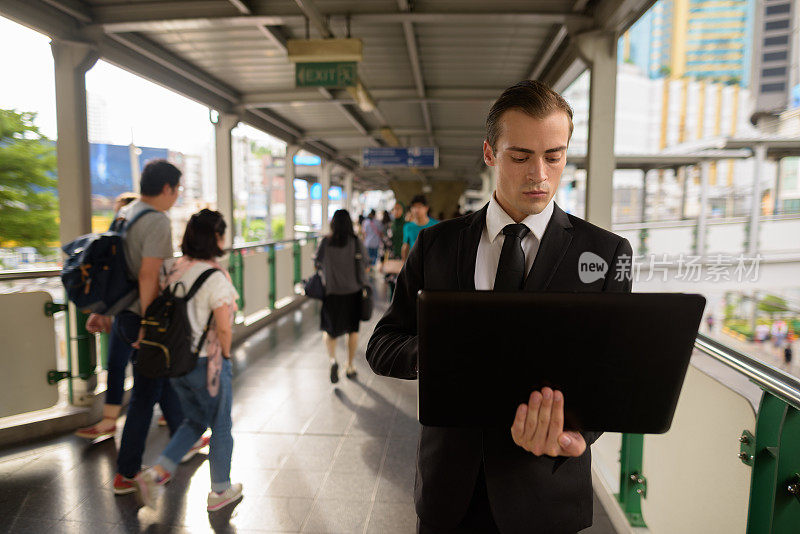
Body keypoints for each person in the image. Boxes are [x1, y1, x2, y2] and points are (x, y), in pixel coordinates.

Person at [366, 80, 633, 533]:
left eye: (554, 156)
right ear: (490, 154)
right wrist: (437, 355)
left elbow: (614, 371)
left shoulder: (606, 254)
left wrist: (575, 437)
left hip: (546, 489)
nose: (539, 174)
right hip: (449, 490)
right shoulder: (437, 245)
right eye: (521, 156)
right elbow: (383, 344)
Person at [84, 160, 202, 496]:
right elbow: (149, 274)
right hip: (142, 318)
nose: (176, 196)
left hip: (124, 315)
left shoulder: (125, 213)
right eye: (176, 190)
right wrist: (153, 325)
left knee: (161, 381)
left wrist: (105, 311)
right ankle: (126, 471)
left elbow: (112, 267)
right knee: (145, 394)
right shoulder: (156, 221)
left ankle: (186, 436)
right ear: (167, 188)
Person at [135, 209, 242, 512]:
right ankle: (220, 491)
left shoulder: (173, 268)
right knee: (220, 425)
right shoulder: (215, 276)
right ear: (216, 238)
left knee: (195, 421)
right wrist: (228, 355)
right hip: (207, 364)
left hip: (174, 362)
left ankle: (156, 475)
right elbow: (223, 326)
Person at [75, 191, 140, 440]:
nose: (118, 216)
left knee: (139, 372)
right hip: (126, 315)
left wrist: (103, 312)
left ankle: (178, 423)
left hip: (132, 315)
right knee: (124, 367)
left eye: (121, 210)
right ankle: (110, 420)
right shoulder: (122, 245)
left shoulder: (125, 245)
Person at [316, 209, 368, 383]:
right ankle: (350, 365)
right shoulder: (355, 242)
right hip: (353, 292)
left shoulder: (325, 242)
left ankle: (332, 360)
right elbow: (365, 264)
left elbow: (317, 262)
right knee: (352, 330)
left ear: (333, 223)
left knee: (330, 331)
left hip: (331, 293)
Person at [401, 195, 438, 261]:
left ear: (426, 208)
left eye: (419, 206)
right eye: (414, 207)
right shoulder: (407, 226)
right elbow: (405, 246)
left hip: (432, 262)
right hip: (414, 262)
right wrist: (404, 264)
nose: (416, 210)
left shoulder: (436, 225)